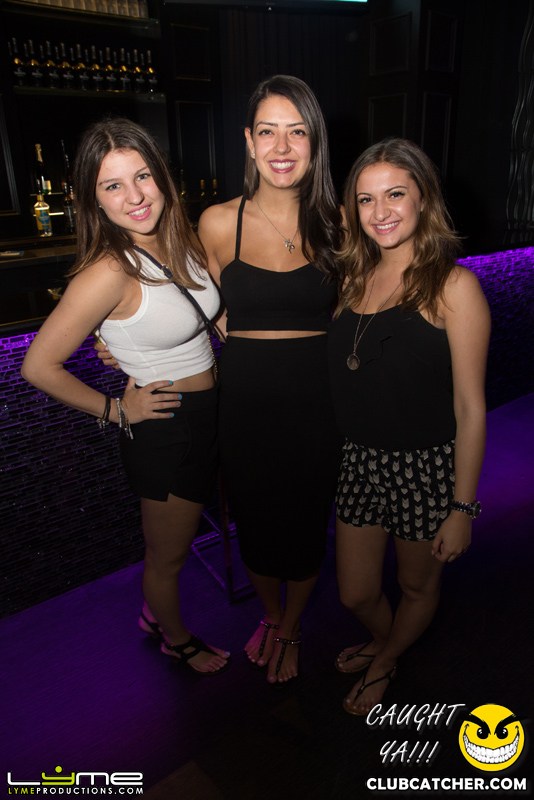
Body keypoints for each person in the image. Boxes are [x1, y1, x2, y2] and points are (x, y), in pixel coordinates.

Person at [21, 117, 230, 675]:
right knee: (169, 555)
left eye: (142, 176)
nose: (134, 196)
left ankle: (152, 615)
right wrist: (115, 409)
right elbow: (38, 366)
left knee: (176, 544)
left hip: (207, 415)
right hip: (166, 429)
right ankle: (175, 639)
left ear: (162, 176)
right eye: (113, 185)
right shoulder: (109, 271)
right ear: (93, 199)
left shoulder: (180, 241)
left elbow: (207, 316)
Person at [328, 138, 490, 714]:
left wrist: (462, 508)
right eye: (366, 199)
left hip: (425, 466)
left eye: (395, 194)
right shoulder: (354, 278)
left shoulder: (454, 286)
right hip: (359, 461)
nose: (381, 212)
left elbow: (470, 408)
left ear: (424, 198)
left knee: (418, 586)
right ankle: (384, 638)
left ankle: (387, 659)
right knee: (355, 592)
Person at [198, 75, 344, 684]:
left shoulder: (341, 222)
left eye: (297, 131)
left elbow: (359, 309)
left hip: (318, 404)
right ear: (249, 142)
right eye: (268, 131)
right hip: (245, 406)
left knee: (307, 523)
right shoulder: (216, 222)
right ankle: (271, 612)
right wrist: (117, 343)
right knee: (254, 524)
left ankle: (293, 625)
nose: (282, 147)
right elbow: (194, 303)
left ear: (314, 143)